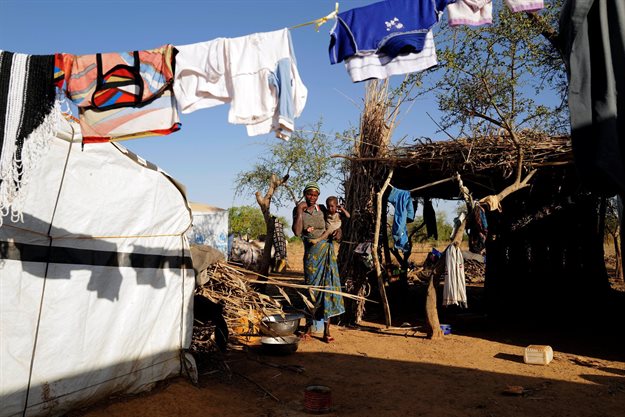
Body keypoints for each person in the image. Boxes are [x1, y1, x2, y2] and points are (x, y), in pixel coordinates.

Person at [292, 182, 345, 342]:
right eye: (309, 194)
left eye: (315, 195)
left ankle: (326, 331)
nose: (312, 198)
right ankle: (308, 327)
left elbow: (337, 228)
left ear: (318, 196)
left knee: (328, 289)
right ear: (304, 194)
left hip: (327, 254)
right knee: (311, 290)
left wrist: (337, 232)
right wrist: (300, 211)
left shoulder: (323, 208)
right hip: (311, 258)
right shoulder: (299, 209)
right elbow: (296, 232)